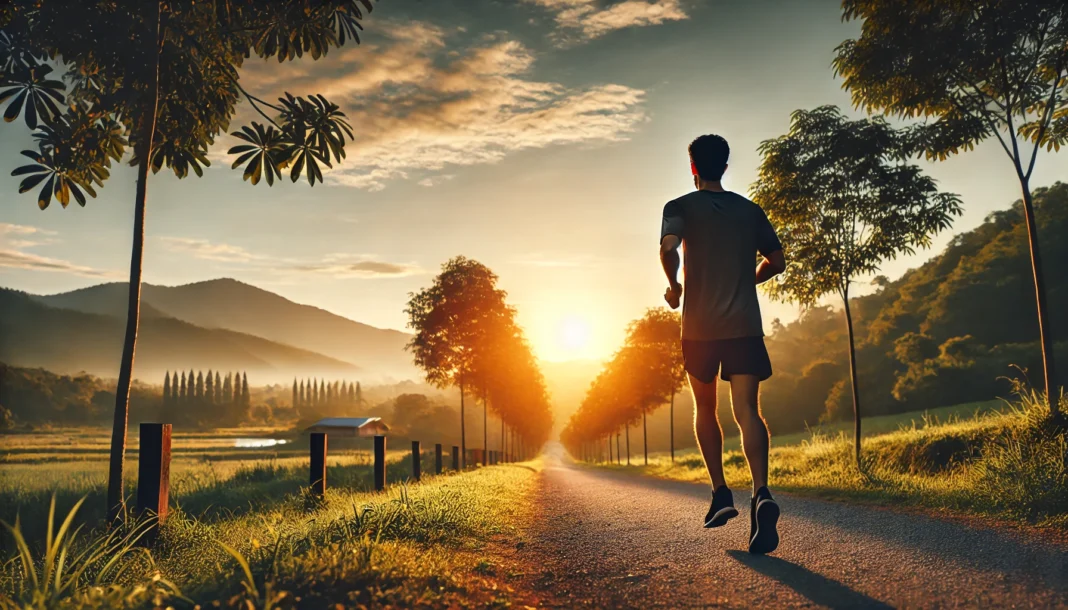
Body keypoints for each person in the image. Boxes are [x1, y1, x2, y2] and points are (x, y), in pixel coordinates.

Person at [659, 134, 787, 555]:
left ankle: (720, 494)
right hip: (744, 327)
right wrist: (747, 279)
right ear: (726, 167)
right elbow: (778, 259)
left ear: (692, 167)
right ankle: (762, 493)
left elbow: (670, 247)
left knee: (705, 409)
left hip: (699, 329)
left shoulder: (678, 207)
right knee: (748, 410)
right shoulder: (750, 211)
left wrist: (674, 285)